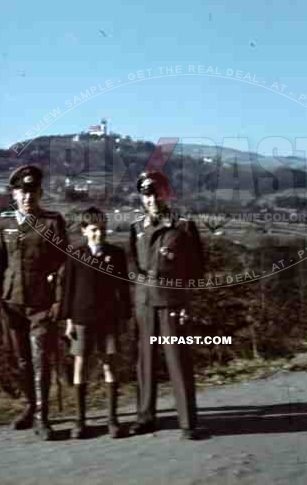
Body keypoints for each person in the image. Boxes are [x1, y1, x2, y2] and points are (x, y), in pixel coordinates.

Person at [0, 165, 67, 440]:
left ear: (40, 192)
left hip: (41, 306)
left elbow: (62, 267)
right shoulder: (4, 222)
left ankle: (43, 417)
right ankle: (31, 405)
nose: (26, 197)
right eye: (21, 191)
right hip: (11, 304)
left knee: (40, 358)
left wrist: (59, 302)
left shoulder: (52, 222)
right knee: (21, 361)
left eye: (31, 191)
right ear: (14, 194)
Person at [129, 171, 204, 440]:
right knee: (145, 363)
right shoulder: (137, 227)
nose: (151, 199)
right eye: (146, 194)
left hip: (172, 300)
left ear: (165, 193)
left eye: (155, 192)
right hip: (145, 301)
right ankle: (145, 417)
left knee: (178, 361)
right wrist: (138, 293)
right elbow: (131, 264)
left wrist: (186, 303)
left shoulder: (183, 226)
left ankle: (187, 421)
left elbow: (196, 269)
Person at [61, 206, 131, 439]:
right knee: (80, 364)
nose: (98, 234)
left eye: (101, 229)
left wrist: (125, 317)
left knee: (109, 364)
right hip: (81, 318)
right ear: (83, 230)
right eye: (93, 230)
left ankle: (113, 420)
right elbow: (68, 289)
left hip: (108, 319)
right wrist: (69, 321)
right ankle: (80, 421)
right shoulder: (75, 254)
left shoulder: (116, 254)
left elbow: (123, 289)